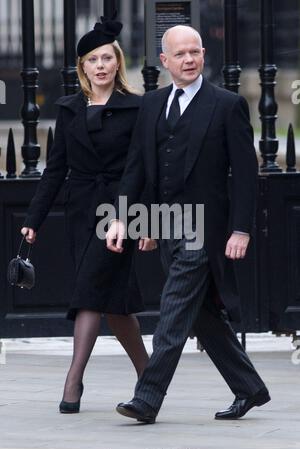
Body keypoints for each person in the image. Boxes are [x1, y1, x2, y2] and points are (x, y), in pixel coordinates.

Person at [106, 25, 271, 423]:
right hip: (165, 226)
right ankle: (249, 388)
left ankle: (147, 398)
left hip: (205, 230)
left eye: (195, 51)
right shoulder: (152, 105)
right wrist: (127, 219)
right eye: (180, 54)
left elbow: (246, 174)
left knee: (174, 309)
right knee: (201, 316)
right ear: (165, 61)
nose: (190, 59)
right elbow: (137, 171)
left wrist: (241, 229)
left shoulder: (227, 104)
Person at [21, 15, 154, 414]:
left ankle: (73, 380)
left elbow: (144, 169)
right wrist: (33, 219)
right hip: (81, 210)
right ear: (82, 68)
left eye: (107, 58)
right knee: (114, 304)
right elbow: (56, 168)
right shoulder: (68, 109)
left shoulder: (137, 108)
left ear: (117, 63)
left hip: (121, 212)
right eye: (92, 60)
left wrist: (144, 222)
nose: (100, 66)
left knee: (89, 294)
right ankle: (150, 377)